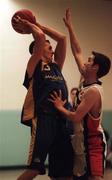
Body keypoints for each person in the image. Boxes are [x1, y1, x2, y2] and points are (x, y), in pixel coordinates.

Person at [49, 8, 111, 180]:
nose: (85, 61)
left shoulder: (93, 91)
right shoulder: (86, 79)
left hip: (93, 144)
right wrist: (70, 27)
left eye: (90, 60)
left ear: (96, 67)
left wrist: (60, 107)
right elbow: (77, 51)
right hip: (80, 141)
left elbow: (76, 117)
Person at [14, 16, 74, 180]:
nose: (53, 50)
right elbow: (39, 38)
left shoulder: (56, 67)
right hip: (43, 119)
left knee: (64, 172)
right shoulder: (34, 65)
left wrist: (39, 25)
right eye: (49, 48)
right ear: (38, 51)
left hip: (61, 120)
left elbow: (62, 38)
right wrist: (31, 26)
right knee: (34, 169)